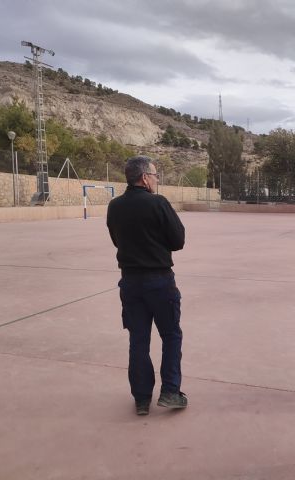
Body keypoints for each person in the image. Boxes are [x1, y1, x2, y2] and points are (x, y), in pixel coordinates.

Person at [107, 156, 187, 416]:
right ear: (144, 177)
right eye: (154, 175)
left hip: (130, 282)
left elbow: (117, 240)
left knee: (138, 340)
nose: (156, 179)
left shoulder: (115, 206)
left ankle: (141, 399)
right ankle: (170, 392)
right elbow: (178, 240)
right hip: (160, 281)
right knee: (171, 336)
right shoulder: (158, 203)